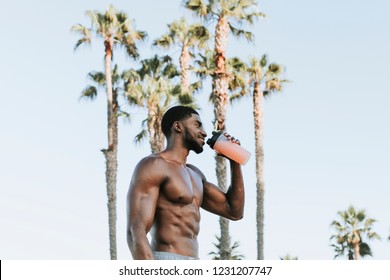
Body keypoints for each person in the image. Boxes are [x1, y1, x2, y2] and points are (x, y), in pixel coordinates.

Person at [126, 105, 245, 260]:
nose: (204, 132)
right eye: (197, 125)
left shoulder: (195, 174)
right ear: (178, 127)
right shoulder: (154, 165)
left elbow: (234, 211)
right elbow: (135, 231)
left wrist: (234, 162)